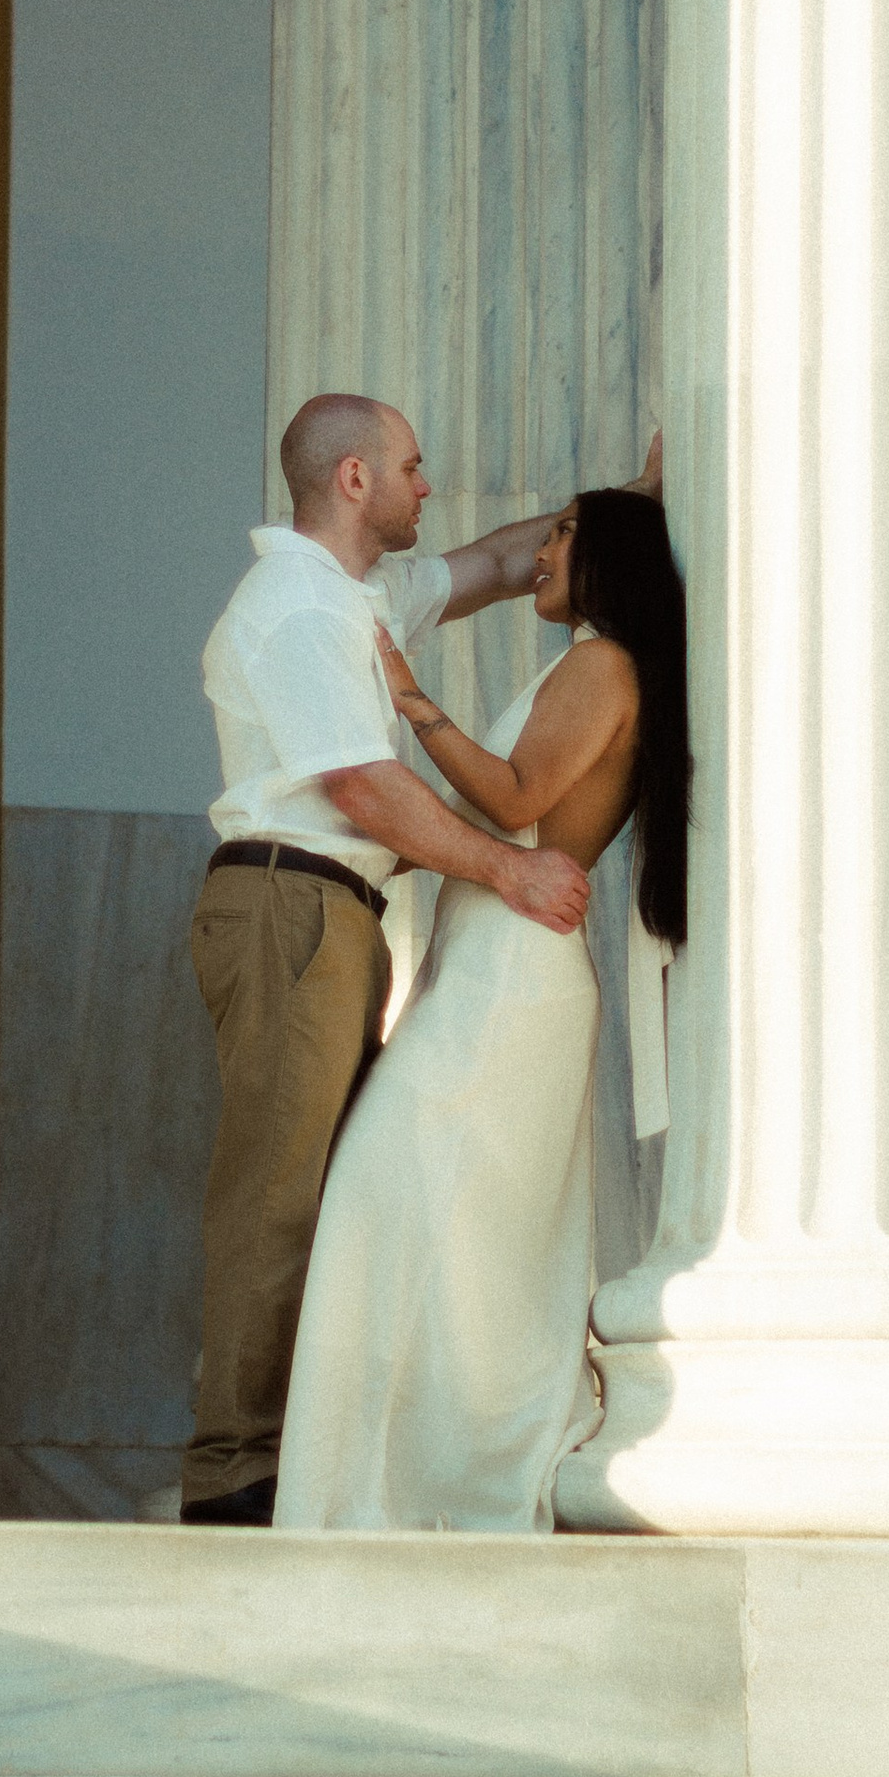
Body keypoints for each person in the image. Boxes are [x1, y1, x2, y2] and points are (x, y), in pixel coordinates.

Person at [182, 395, 593, 1526]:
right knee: (280, 1199)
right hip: (288, 902)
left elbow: (511, 560)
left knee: (330, 1192)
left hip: (330, 914)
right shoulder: (299, 608)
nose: (429, 486)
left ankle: (301, 1465)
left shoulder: (360, 596)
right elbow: (360, 783)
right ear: (353, 479)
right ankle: (236, 1483)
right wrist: (507, 871)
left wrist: (643, 502)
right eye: (412, 467)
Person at [273, 481, 692, 1535]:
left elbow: (514, 799)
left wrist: (415, 706)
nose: (539, 553)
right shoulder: (588, 662)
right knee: (451, 1230)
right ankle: (395, 1483)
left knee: (400, 1200)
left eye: (562, 536)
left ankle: (430, 1484)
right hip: (491, 967)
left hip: (512, 981)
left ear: (605, 563)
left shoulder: (601, 664)